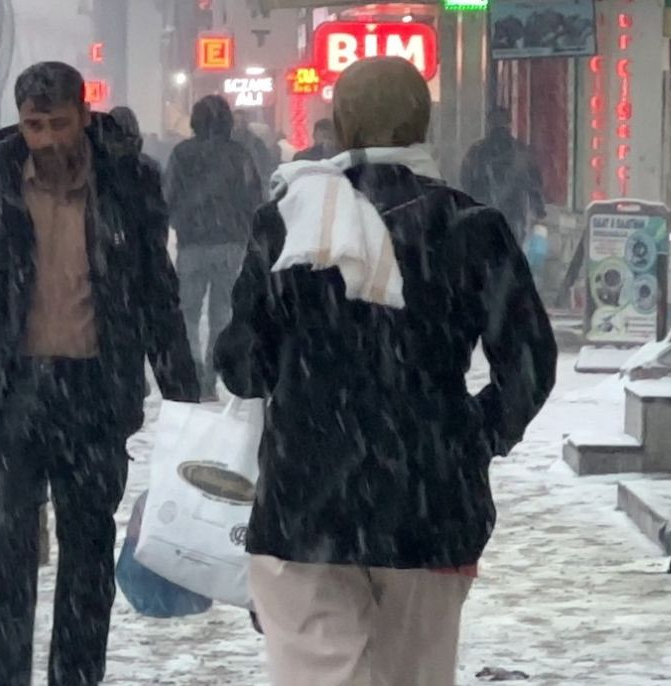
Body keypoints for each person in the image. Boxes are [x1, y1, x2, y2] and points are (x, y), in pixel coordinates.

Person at [215, 57, 557, 686]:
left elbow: (243, 366)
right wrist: (470, 436)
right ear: (422, 124)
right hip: (429, 501)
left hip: (306, 502)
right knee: (416, 675)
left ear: (340, 128)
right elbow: (529, 364)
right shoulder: (470, 227)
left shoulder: (290, 226)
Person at [0, 61, 199, 686]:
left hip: (94, 400)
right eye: (33, 125)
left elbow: (157, 298)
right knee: (3, 562)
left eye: (58, 123)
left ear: (84, 114)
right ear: (19, 123)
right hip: (7, 399)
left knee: (87, 560)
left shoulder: (128, 185)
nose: (47, 138)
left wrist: (186, 400)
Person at [164, 95, 264, 399]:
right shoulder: (239, 154)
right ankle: (211, 370)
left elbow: (169, 193)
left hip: (193, 243)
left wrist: (182, 219)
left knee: (188, 312)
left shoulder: (182, 154)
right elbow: (253, 195)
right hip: (231, 241)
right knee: (223, 310)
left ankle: (193, 370)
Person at [460, 108, 547, 246]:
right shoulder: (521, 151)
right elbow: (534, 184)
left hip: (484, 215)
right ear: (509, 124)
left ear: (488, 124)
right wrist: (539, 210)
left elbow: (465, 183)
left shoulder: (476, 152)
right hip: (513, 217)